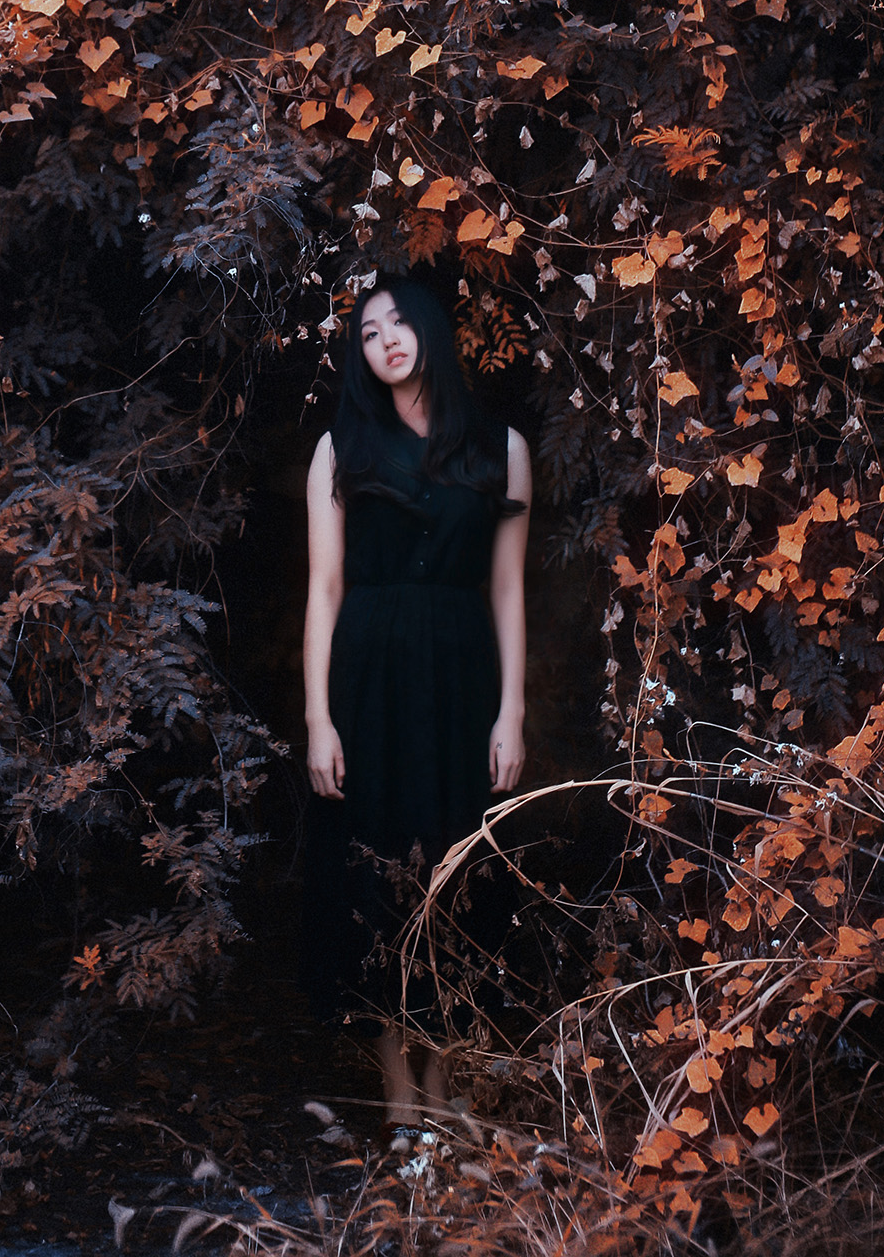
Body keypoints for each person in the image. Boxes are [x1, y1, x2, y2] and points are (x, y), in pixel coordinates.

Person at [302, 276, 531, 1135]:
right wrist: (319, 718)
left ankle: (446, 1080)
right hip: (369, 680)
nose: (387, 341)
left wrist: (511, 711)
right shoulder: (342, 448)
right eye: (368, 333)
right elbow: (325, 590)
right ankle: (401, 1096)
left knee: (459, 872)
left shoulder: (500, 447)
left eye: (399, 323)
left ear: (430, 328)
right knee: (374, 876)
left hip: (463, 680)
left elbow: (507, 589)